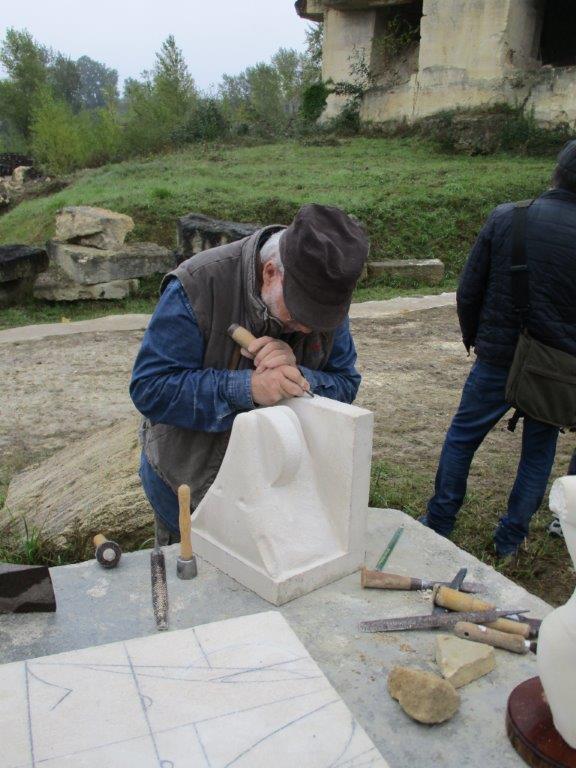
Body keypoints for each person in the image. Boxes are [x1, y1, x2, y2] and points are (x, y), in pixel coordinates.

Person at [130, 204, 368, 543]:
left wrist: (298, 376)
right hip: (191, 491)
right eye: (300, 312)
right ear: (271, 272)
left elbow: (345, 383)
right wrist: (248, 387)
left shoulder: (323, 300)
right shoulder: (198, 285)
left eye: (319, 319)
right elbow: (150, 389)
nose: (307, 326)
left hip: (276, 498)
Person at [421, 140, 576, 559]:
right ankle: (509, 542)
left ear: (555, 173)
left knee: (462, 439)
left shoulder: (508, 217)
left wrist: (476, 339)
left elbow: (468, 290)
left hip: (498, 356)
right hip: (553, 367)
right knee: (538, 454)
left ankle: (440, 522)